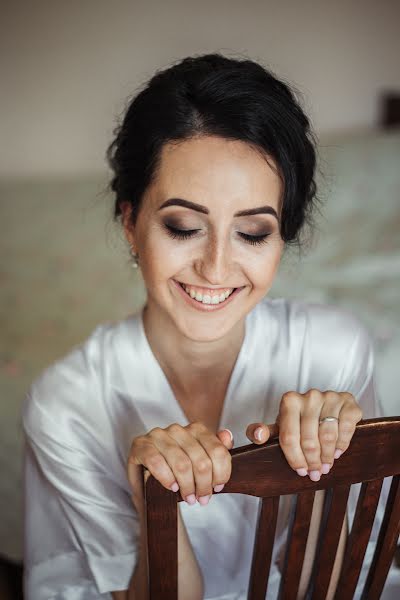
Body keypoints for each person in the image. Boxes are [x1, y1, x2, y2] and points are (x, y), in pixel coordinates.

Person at [22, 53, 383, 600]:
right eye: (183, 226)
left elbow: (337, 588)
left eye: (254, 233)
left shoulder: (334, 352)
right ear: (130, 223)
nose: (215, 268)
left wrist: (327, 474)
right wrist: (155, 507)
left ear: (282, 237)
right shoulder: (69, 405)